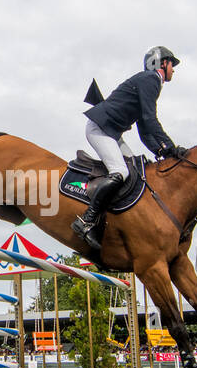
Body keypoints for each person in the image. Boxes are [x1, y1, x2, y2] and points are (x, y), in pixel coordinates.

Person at [73, 45, 190, 249]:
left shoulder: (151, 82)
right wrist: (170, 147)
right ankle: (86, 221)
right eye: (172, 63)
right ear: (162, 62)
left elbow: (145, 129)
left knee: (136, 170)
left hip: (112, 132)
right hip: (99, 129)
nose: (174, 69)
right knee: (120, 171)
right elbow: (150, 119)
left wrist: (161, 151)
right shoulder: (151, 80)